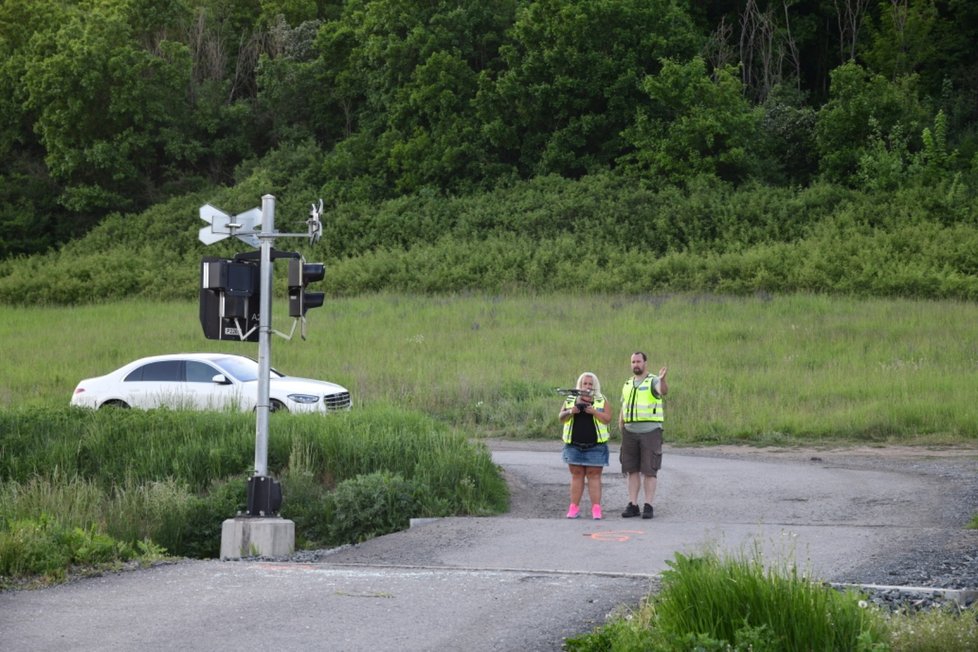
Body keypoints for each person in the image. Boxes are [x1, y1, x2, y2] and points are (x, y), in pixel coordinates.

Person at [619, 351, 668, 519]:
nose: (635, 365)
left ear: (645, 363)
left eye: (638, 361)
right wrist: (621, 424)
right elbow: (624, 405)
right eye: (633, 362)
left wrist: (662, 380)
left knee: (649, 469)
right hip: (630, 431)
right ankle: (633, 504)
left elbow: (662, 391)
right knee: (631, 470)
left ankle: (648, 505)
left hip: (650, 432)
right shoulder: (627, 383)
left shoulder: (653, 380)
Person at [558, 372, 612, 520]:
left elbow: (608, 419)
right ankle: (573, 508)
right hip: (574, 445)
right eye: (585, 384)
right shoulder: (570, 399)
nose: (587, 387)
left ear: (595, 386)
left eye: (590, 384)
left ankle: (596, 509)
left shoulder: (601, 400)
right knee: (577, 475)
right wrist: (571, 411)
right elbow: (561, 417)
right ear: (580, 385)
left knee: (594, 476)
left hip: (596, 446)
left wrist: (594, 411)